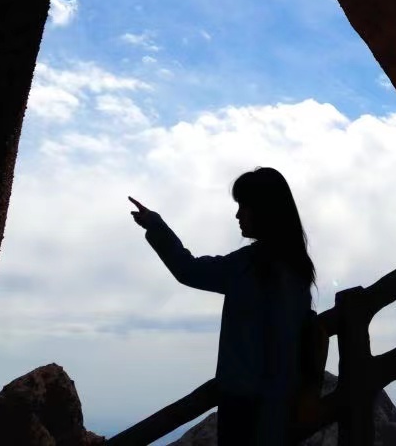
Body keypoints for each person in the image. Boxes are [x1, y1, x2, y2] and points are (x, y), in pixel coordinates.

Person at [129, 167, 315, 446]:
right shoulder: (297, 267)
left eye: (244, 206)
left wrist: (155, 226)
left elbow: (188, 270)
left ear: (264, 210)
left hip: (243, 409)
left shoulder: (250, 266)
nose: (238, 215)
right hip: (280, 409)